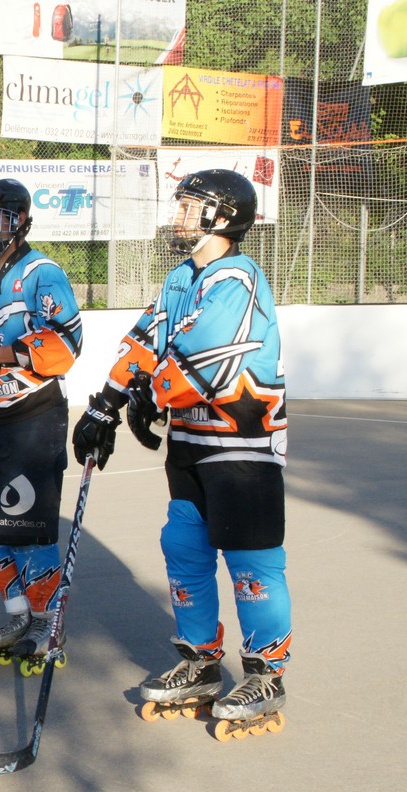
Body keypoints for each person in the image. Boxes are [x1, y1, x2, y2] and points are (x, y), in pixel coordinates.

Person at [71, 168, 293, 737]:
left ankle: (266, 671)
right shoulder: (180, 278)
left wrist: (150, 394)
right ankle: (200, 660)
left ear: (222, 217)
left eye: (190, 206)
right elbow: (146, 340)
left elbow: (207, 356)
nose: (178, 216)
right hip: (191, 442)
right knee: (184, 545)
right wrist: (105, 403)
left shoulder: (237, 278)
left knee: (250, 559)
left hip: (242, 443)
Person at [0, 179, 84, 673]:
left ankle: (48, 622)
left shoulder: (41, 272)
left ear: (21, 221)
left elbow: (66, 344)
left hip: (31, 418)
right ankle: (18, 616)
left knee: (29, 530)